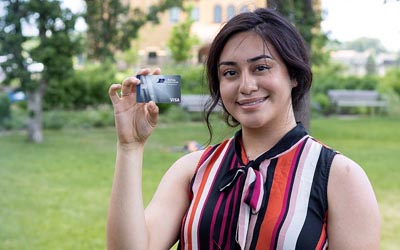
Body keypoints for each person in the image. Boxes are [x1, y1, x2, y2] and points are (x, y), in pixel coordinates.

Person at [107, 8, 380, 250]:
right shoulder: (192, 170)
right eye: (230, 73)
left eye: (261, 68)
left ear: (293, 74)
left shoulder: (339, 177)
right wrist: (130, 147)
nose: (246, 86)